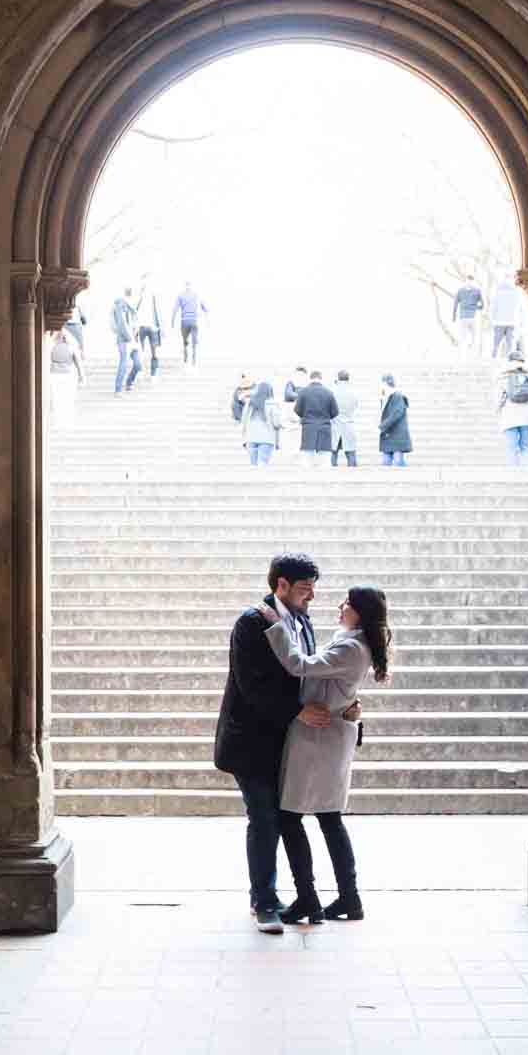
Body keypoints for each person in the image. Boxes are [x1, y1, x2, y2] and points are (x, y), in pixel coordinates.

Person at [211, 554, 357, 934]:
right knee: (263, 818)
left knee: (286, 817)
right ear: (282, 586)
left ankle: (303, 897)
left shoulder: (302, 620)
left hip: (289, 743)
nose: (312, 597)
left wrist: (345, 707)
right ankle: (264, 901)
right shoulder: (251, 622)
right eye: (306, 589)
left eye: (313, 588)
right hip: (251, 742)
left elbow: (311, 673)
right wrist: (297, 711)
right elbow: (251, 685)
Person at [261, 584, 389, 924]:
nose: (340, 606)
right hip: (327, 736)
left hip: (320, 739)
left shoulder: (351, 647)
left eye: (347, 603)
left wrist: (274, 624)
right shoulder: (352, 641)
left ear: (360, 611)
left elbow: (297, 664)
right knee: (329, 818)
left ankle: (309, 898)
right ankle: (348, 898)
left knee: (291, 817)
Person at [497, 352, 528, 467]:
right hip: (527, 415)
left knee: (511, 447)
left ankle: (513, 473)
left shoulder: (503, 376)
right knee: (525, 446)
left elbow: (499, 398)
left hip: (510, 415)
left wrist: (498, 409)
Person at [294, 369, 338, 470]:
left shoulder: (303, 392)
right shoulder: (329, 393)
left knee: (306, 458)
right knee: (325, 459)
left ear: (310, 378)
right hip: (324, 427)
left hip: (308, 427)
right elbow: (335, 412)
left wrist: (305, 416)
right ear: (321, 379)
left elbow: (297, 410)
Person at [47, 328, 82, 432]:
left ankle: (61, 422)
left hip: (56, 374)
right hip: (66, 374)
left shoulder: (52, 346)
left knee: (59, 400)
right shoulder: (71, 347)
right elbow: (78, 362)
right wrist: (81, 376)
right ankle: (66, 422)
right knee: (66, 400)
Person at [242, 379, 282, 466]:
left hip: (251, 438)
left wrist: (244, 438)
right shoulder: (272, 404)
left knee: (253, 465)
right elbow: (276, 423)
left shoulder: (249, 404)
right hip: (266, 438)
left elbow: (244, 422)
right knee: (262, 464)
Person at [110, 288, 140, 395]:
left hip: (133, 339)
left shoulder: (131, 303)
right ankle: (117, 389)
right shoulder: (121, 304)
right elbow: (122, 323)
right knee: (123, 363)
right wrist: (129, 337)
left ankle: (129, 382)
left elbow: (134, 322)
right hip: (124, 339)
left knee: (138, 365)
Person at [378, 372, 412, 467]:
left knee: (398, 462)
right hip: (388, 435)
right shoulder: (385, 397)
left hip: (397, 435)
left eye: (381, 383)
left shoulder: (397, 396)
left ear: (385, 383)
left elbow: (396, 414)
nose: (380, 386)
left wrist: (381, 427)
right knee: (386, 462)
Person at [173, 281, 208, 365]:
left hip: (184, 321)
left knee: (185, 342)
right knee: (194, 342)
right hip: (194, 321)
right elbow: (204, 307)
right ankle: (194, 361)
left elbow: (175, 309)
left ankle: (186, 360)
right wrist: (206, 314)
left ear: (185, 286)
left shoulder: (180, 295)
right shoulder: (196, 295)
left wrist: (172, 322)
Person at [330, 369, 360, 469]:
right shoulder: (354, 392)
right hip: (348, 424)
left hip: (335, 425)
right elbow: (356, 406)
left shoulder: (333, 391)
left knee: (333, 453)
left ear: (338, 378)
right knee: (351, 453)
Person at [133, 285, 164, 379]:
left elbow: (158, 311)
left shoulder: (153, 296)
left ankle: (152, 373)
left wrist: (161, 328)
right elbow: (134, 311)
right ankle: (142, 371)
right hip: (142, 327)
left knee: (152, 352)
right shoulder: (139, 296)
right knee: (141, 351)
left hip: (151, 327)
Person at [489, 279, 525, 359]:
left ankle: (493, 359)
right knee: (511, 345)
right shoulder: (516, 294)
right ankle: (509, 362)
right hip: (512, 322)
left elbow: (492, 308)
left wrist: (492, 320)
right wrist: (520, 322)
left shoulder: (497, 294)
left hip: (498, 322)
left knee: (496, 344)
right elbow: (520, 309)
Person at [452, 278, 485, 358]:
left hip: (464, 317)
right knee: (474, 337)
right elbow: (482, 305)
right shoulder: (477, 290)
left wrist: (454, 315)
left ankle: (463, 355)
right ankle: (471, 355)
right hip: (473, 317)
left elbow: (455, 304)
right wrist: (475, 307)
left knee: (463, 337)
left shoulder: (460, 291)